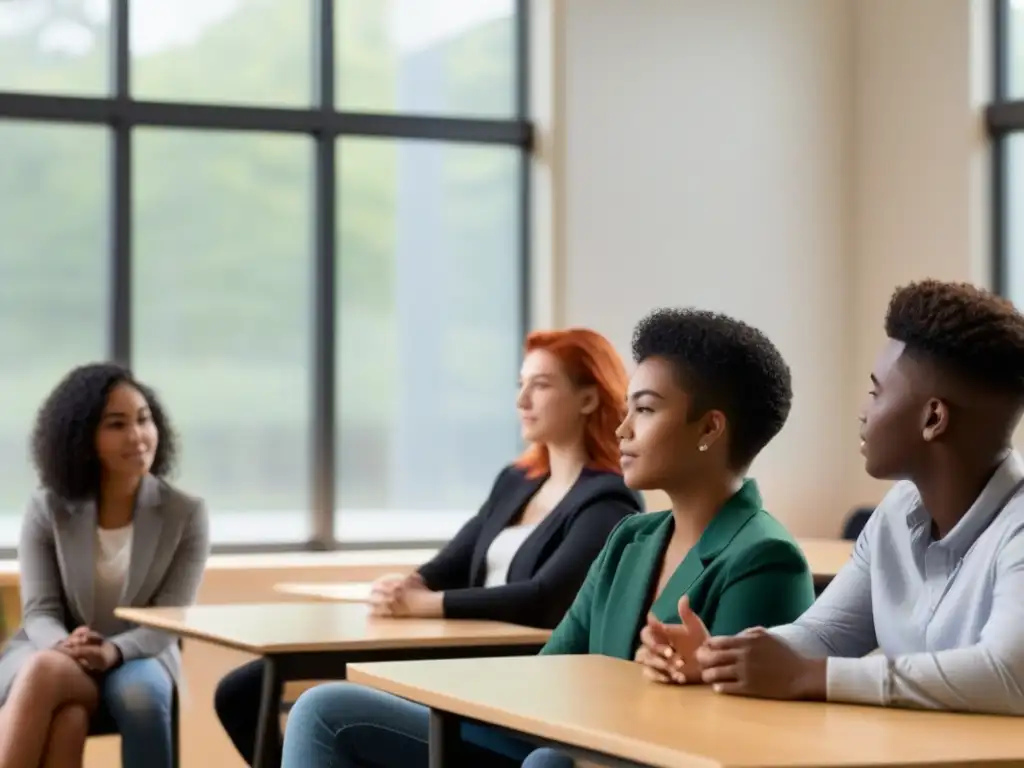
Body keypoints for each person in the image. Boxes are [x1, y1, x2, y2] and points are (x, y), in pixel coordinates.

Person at [280, 308, 816, 768]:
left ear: (709, 429)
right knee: (324, 709)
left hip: (627, 758)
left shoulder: (765, 559)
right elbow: (553, 670)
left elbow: (738, 738)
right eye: (627, 408)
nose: (622, 428)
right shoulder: (632, 537)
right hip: (560, 742)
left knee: (549, 763)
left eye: (646, 410)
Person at [215, 328, 643, 765]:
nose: (522, 401)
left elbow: (543, 598)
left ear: (588, 399)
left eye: (541, 385)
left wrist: (425, 604)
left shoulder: (607, 500)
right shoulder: (517, 480)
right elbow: (457, 557)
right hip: (458, 668)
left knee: (319, 709)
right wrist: (408, 584)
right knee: (243, 689)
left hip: (513, 686)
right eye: (521, 385)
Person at [695, 280, 1024, 715]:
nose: (865, 412)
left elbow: (1007, 677)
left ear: (933, 418)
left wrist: (810, 677)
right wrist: (720, 658)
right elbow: (826, 635)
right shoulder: (897, 512)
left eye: (877, 392)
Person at [0, 363, 210, 768]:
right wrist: (67, 646)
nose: (137, 436)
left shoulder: (186, 513)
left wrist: (112, 651)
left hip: (139, 653)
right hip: (52, 647)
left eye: (144, 419)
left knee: (134, 698)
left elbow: (169, 619)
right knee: (65, 711)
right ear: (83, 437)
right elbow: (40, 611)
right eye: (117, 424)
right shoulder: (46, 508)